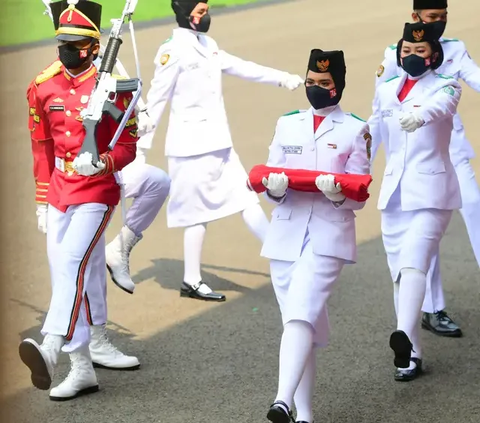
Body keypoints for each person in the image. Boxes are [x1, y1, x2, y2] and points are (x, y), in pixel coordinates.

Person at [135, 0, 305, 302]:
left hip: (218, 142)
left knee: (246, 198)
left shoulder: (208, 43)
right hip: (190, 147)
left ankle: (284, 260)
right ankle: (192, 279)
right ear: (185, 14)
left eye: (206, 10)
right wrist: (141, 150)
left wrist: (281, 77)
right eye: (200, 11)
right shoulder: (172, 50)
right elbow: (156, 101)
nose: (206, 16)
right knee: (196, 214)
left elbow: (242, 67)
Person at [20, 0, 139, 401]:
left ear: (92, 46)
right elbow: (41, 147)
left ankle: (52, 348)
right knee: (65, 274)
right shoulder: (43, 86)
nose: (67, 50)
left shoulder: (114, 87)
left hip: (97, 192)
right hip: (58, 192)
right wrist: (41, 200)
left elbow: (128, 144)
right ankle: (83, 368)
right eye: (63, 42)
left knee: (73, 261)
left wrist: (104, 162)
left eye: (75, 44)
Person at [260, 49, 371, 423]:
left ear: (338, 86)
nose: (316, 89)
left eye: (324, 83)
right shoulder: (286, 123)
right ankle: (305, 415)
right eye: (311, 82)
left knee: (299, 314)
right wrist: (273, 188)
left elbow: (358, 195)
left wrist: (338, 193)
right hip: (286, 234)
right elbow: (271, 179)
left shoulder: (355, 128)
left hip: (328, 236)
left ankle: (281, 401)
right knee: (298, 322)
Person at [372, 0, 480, 338]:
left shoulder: (454, 48)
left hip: (451, 148)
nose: (439, 24)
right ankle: (433, 308)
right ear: (415, 17)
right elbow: (381, 108)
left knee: (475, 207)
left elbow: (474, 78)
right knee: (422, 237)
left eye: (443, 18)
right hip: (412, 158)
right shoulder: (395, 53)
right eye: (432, 17)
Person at [369, 21, 462, 381]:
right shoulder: (387, 89)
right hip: (394, 195)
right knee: (399, 276)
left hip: (431, 193)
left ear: (433, 56)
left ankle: (404, 335)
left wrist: (418, 115)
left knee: (413, 266)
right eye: (405, 50)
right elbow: (373, 132)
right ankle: (411, 356)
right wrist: (357, 171)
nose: (410, 56)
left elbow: (440, 107)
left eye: (419, 51)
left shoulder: (447, 85)